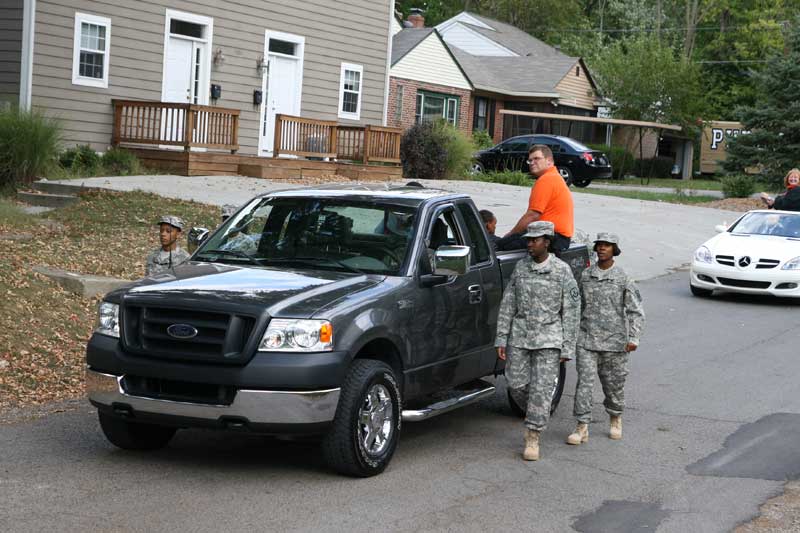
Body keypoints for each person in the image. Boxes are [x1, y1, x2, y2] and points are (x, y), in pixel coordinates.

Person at [495, 221, 581, 461]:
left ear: (547, 242)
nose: (530, 243)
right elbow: (508, 304)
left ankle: (533, 436)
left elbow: (572, 311)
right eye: (528, 240)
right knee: (516, 385)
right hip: (521, 337)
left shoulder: (562, 270)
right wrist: (501, 338)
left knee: (542, 390)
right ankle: (536, 410)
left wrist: (567, 345)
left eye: (534, 240)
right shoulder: (521, 268)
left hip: (549, 339)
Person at [566, 233, 645, 446]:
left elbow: (635, 310)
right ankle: (582, 426)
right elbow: (576, 307)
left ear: (614, 250)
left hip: (614, 341)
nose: (602, 249)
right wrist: (570, 336)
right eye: (599, 245)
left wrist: (634, 337)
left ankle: (615, 416)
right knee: (584, 383)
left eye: (607, 246)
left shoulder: (623, 277)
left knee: (613, 384)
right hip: (587, 339)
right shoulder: (585, 275)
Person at [502, 145, 574, 251]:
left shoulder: (546, 180)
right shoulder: (555, 177)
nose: (532, 162)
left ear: (549, 161)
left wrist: (511, 234)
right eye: (530, 160)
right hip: (559, 237)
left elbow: (533, 215)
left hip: (551, 238)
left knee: (499, 246)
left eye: (536, 158)